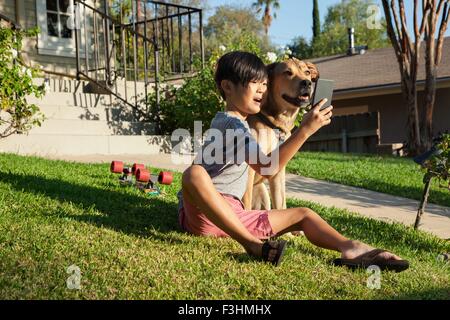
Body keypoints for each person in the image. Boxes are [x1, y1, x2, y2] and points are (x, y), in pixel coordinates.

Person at [177, 51, 409, 272]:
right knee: (193, 174)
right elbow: (267, 168)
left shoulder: (242, 126)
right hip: (204, 217)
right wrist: (305, 131)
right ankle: (253, 245)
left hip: (235, 218)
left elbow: (269, 167)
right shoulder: (229, 123)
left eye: (265, 84)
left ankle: (351, 248)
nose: (262, 90)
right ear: (227, 87)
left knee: (304, 214)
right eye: (254, 83)